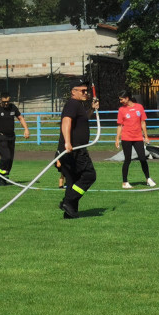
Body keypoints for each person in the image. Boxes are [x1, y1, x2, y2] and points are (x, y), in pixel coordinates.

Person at [57, 80, 99, 218]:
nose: (86, 93)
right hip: (74, 150)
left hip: (75, 150)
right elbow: (66, 121)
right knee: (89, 175)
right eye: (83, 91)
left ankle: (70, 212)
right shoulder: (72, 104)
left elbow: (82, 119)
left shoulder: (78, 105)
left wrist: (92, 109)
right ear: (73, 92)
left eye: (86, 91)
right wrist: (67, 142)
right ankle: (68, 202)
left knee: (73, 181)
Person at [115, 90, 156, 189]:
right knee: (127, 160)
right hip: (126, 138)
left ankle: (148, 179)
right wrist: (117, 139)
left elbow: (143, 123)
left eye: (122, 99)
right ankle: (125, 182)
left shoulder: (139, 107)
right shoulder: (121, 110)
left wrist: (146, 136)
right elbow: (120, 125)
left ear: (127, 98)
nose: (120, 101)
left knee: (142, 158)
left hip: (138, 137)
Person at [0, 92, 30, 185]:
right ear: (0, 100)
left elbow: (20, 118)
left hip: (11, 136)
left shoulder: (13, 107)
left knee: (10, 159)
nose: (6, 103)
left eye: (8, 101)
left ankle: (4, 176)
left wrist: (26, 129)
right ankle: (0, 177)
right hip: (0, 136)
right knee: (6, 157)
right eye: (4, 101)